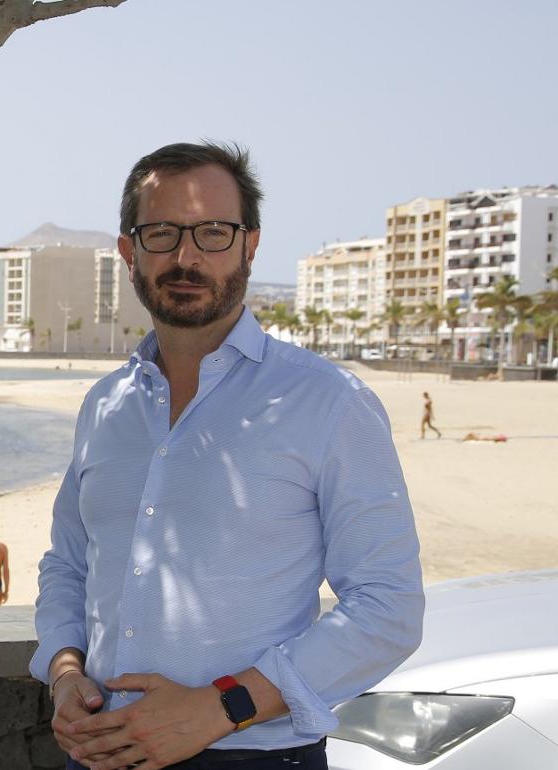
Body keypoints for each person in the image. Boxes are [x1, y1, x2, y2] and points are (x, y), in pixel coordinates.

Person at [30, 142, 424, 770]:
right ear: (130, 251)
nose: (187, 257)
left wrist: (220, 708)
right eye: (162, 233)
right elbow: (69, 564)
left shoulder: (328, 402)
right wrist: (64, 670)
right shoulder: (105, 406)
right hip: (101, 752)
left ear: (250, 244)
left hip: (252, 757)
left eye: (214, 233)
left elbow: (388, 609)